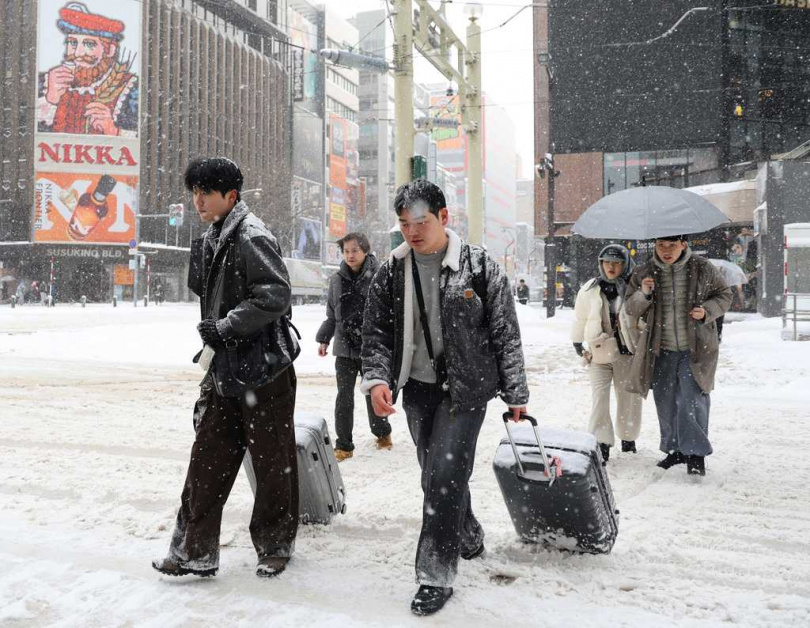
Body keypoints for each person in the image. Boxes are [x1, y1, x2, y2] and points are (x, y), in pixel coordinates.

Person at [361, 179, 529, 616]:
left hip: (467, 391)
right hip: (417, 390)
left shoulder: (477, 266)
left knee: (445, 477)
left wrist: (516, 394)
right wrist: (377, 379)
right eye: (404, 224)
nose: (412, 233)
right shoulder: (392, 270)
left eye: (421, 222)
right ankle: (467, 533)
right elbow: (376, 332)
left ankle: (434, 575)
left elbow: (505, 332)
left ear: (444, 218)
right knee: (433, 474)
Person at [152, 157, 299, 579]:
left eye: (205, 192)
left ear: (230, 196)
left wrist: (227, 326)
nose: (197, 200)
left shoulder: (251, 235)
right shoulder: (214, 235)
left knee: (273, 463)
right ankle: (192, 551)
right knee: (207, 458)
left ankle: (275, 545)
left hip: (265, 370)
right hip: (226, 369)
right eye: (194, 192)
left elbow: (276, 294)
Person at [623, 235, 732, 477]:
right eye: (661, 245)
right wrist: (644, 294)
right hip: (660, 349)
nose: (666, 250)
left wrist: (706, 311)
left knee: (692, 400)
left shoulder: (703, 268)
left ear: (683, 244)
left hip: (695, 348)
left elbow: (725, 296)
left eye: (671, 245)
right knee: (666, 401)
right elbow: (630, 307)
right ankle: (675, 450)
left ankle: (695, 454)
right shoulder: (644, 272)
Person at [316, 232, 392, 461]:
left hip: (371, 347)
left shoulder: (379, 276)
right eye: (346, 251)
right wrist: (324, 338)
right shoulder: (336, 279)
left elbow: (388, 313)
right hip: (344, 347)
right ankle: (344, 445)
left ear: (365, 251)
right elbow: (332, 314)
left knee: (373, 393)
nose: (350, 255)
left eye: (355, 250)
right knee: (344, 397)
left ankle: (382, 433)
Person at [571, 245, 643, 464]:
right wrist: (577, 341)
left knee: (628, 398)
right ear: (600, 263)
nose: (611, 267)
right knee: (599, 398)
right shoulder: (590, 288)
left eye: (617, 262)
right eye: (607, 262)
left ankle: (628, 437)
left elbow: (644, 317)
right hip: (599, 351)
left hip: (627, 353)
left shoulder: (635, 289)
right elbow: (580, 318)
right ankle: (601, 442)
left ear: (625, 265)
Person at [37, 2, 138, 137]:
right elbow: (22, 133)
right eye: (72, 43)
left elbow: (147, 140)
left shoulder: (131, 89)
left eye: (89, 44)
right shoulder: (44, 83)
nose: (78, 53)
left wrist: (113, 130)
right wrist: (49, 100)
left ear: (110, 50)